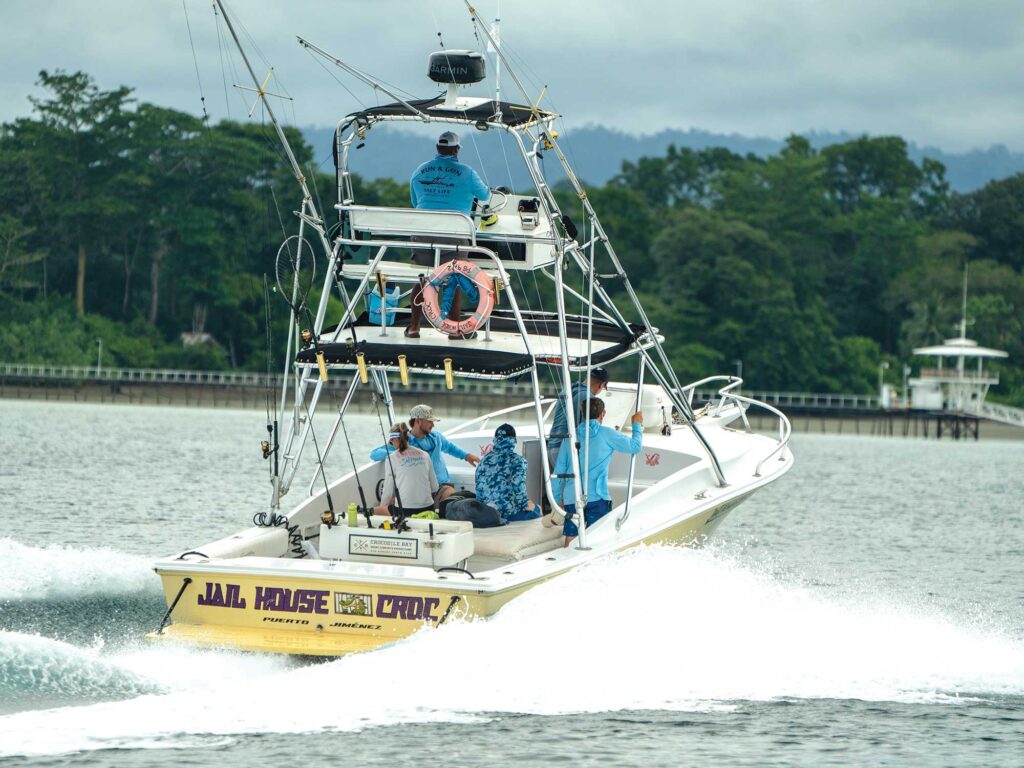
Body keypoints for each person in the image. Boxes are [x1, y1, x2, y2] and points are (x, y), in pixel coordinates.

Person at [406, 131, 490, 340]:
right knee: (455, 274)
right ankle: (456, 330)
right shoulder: (467, 172)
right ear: (456, 149)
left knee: (423, 276)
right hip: (454, 242)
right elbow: (486, 196)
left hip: (422, 242)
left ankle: (414, 327)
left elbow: (416, 202)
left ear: (437, 148)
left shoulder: (419, 171)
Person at [552, 397, 643, 547]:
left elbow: (559, 470)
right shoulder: (608, 434)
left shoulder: (570, 437)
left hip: (572, 496)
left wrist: (557, 499)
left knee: (571, 536)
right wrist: (636, 424)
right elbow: (635, 446)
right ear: (603, 413)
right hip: (597, 496)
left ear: (582, 413)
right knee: (598, 536)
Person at [369, 404, 480, 506]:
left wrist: (467, 456)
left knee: (452, 500)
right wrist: (405, 452)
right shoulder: (403, 441)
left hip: (441, 487)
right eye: (429, 421)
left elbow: (450, 448)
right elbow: (375, 454)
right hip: (417, 490)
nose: (433, 424)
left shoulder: (437, 437)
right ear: (418, 421)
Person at [474, 423, 542, 524]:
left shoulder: (483, 461)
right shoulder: (518, 460)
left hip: (488, 514)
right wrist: (526, 504)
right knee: (538, 509)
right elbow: (517, 486)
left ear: (495, 440)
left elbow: (479, 490)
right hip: (510, 514)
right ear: (513, 441)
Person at [372, 423, 438, 517]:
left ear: (395, 439)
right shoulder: (425, 455)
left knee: (371, 511)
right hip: (428, 508)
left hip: (405, 511)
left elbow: (387, 492)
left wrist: (383, 507)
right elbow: (435, 487)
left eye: (391, 441)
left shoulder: (392, 457)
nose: (391, 443)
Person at [547, 368, 609, 467]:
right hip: (567, 452)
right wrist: (600, 418)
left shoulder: (567, 390)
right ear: (601, 385)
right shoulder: (590, 398)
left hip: (552, 449)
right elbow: (590, 431)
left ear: (586, 377)